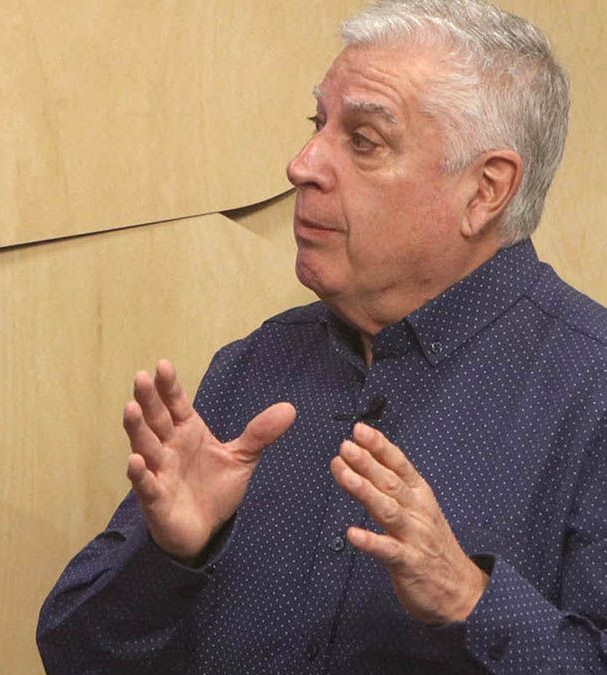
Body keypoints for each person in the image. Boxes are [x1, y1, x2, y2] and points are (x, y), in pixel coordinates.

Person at [38, 0, 606, 671]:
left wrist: (469, 598)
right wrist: (169, 557)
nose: (302, 164)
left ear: (485, 190)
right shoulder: (255, 365)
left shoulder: (591, 388)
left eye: (363, 140)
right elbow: (74, 652)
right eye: (318, 125)